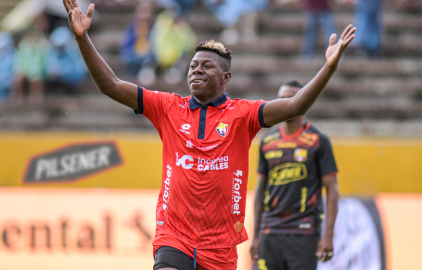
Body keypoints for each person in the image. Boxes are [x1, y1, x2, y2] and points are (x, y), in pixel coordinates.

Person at [61, 0, 355, 269]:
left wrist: (328, 67)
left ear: (225, 77)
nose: (196, 70)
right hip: (173, 235)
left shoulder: (244, 114)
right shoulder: (166, 106)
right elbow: (110, 85)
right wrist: (82, 38)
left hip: (220, 246)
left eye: (206, 66)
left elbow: (295, 105)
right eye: (192, 66)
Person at [250, 80, 340, 270]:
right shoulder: (268, 142)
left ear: (303, 101)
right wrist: (255, 235)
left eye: (291, 98)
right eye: (281, 98)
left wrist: (328, 235)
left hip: (304, 231)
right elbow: (259, 191)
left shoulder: (317, 140)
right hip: (270, 231)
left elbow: (332, 190)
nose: (285, 103)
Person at [120, 2, 155, 81]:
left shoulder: (154, 27)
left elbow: (156, 44)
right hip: (134, 55)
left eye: (146, 12)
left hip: (149, 56)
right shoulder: (131, 27)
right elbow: (126, 46)